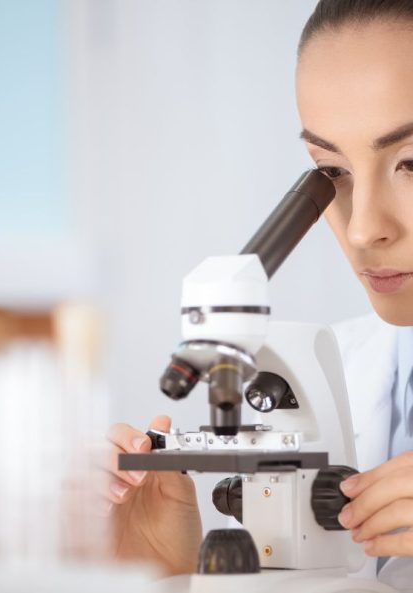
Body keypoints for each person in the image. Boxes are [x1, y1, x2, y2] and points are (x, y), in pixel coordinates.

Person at [95, 0, 413, 588]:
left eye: (412, 163)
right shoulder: (326, 370)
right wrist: (161, 577)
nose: (364, 228)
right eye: (331, 172)